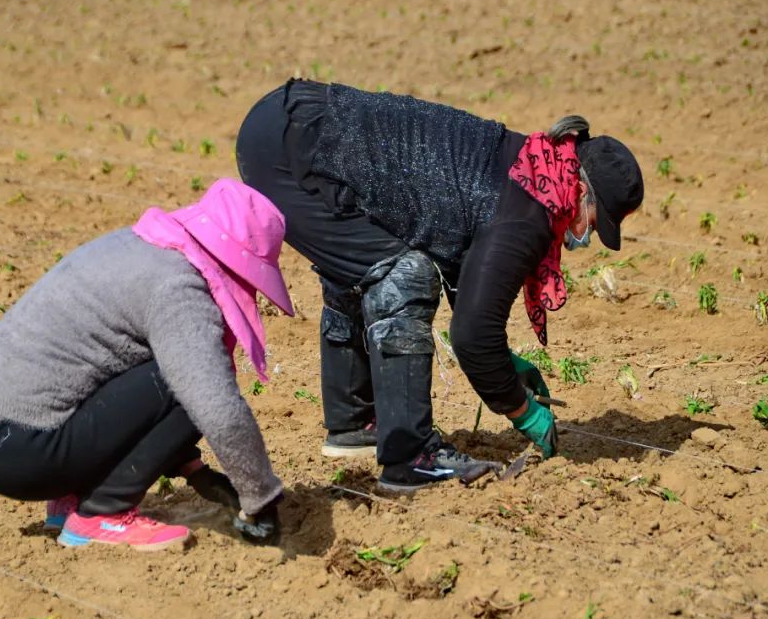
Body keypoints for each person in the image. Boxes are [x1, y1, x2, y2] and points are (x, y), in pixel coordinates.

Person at [235, 80, 644, 492]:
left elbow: (469, 281)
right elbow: (472, 337)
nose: (586, 237)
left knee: (363, 261)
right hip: (293, 150)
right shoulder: (529, 213)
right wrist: (522, 411)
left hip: (282, 125)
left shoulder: (529, 167)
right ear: (581, 191)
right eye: (595, 222)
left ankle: (355, 425)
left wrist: (505, 363)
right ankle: (411, 457)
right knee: (403, 272)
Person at [0, 179, 292, 551]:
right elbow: (216, 408)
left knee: (165, 362)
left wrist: (193, 469)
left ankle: (71, 497)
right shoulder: (177, 288)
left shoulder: (138, 246)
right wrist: (259, 497)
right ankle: (103, 511)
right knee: (196, 380)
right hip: (21, 453)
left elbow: (118, 378)